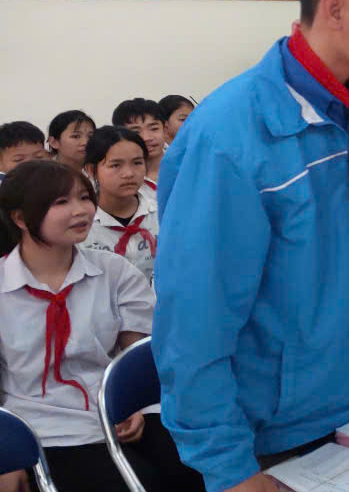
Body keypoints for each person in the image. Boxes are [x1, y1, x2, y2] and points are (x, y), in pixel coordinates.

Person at [152, 0, 349, 492]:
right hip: (276, 435)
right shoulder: (229, 140)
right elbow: (194, 325)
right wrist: (229, 468)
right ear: (335, 8)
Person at [0, 161, 207, 492]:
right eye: (61, 202)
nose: (80, 210)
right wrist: (6, 454)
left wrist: (135, 403)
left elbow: (138, 357)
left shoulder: (112, 271)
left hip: (115, 414)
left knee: (195, 469)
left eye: (84, 197)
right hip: (41, 429)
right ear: (20, 219)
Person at [79, 127, 160, 282]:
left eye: (137, 163)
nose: (129, 173)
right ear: (91, 169)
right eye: (115, 165)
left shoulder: (161, 214)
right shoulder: (80, 222)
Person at [112, 98, 167, 196]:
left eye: (154, 129)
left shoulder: (185, 163)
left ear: (165, 129)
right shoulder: (116, 177)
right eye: (136, 132)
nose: (146, 138)